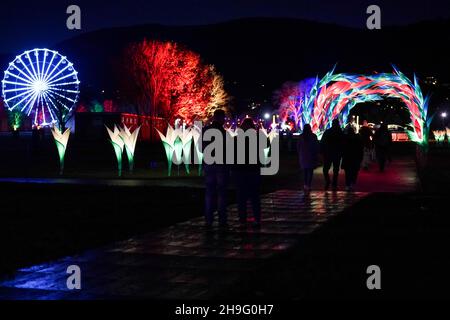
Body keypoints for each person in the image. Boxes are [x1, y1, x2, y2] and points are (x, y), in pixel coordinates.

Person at [203, 109, 229, 229]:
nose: (224, 120)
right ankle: (222, 219)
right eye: (224, 118)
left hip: (209, 164)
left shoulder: (206, 130)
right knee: (221, 193)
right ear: (220, 118)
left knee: (209, 192)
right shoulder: (223, 132)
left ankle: (209, 220)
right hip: (220, 164)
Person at [233, 117, 261, 228]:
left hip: (239, 170)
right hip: (253, 170)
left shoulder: (236, 139)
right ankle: (257, 218)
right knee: (254, 195)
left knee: (241, 196)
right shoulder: (257, 138)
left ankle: (242, 219)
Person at [320, 119, 344, 191]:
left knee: (326, 169)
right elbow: (343, 143)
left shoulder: (328, 132)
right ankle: (334, 183)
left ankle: (328, 181)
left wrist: (322, 151)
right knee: (335, 170)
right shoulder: (340, 133)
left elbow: (322, 142)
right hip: (336, 154)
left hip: (328, 153)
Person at [297, 124, 320, 195]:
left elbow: (298, 146)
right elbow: (316, 146)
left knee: (305, 171)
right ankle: (309, 185)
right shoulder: (313, 136)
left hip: (303, 156)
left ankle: (305, 184)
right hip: (311, 155)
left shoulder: (301, 136)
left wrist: (300, 153)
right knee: (310, 171)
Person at [342, 126, 364, 191]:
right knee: (354, 172)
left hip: (347, 157)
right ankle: (352, 183)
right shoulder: (358, 138)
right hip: (355, 158)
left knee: (347, 172)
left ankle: (348, 184)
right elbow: (360, 149)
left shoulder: (345, 138)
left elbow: (343, 148)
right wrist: (360, 157)